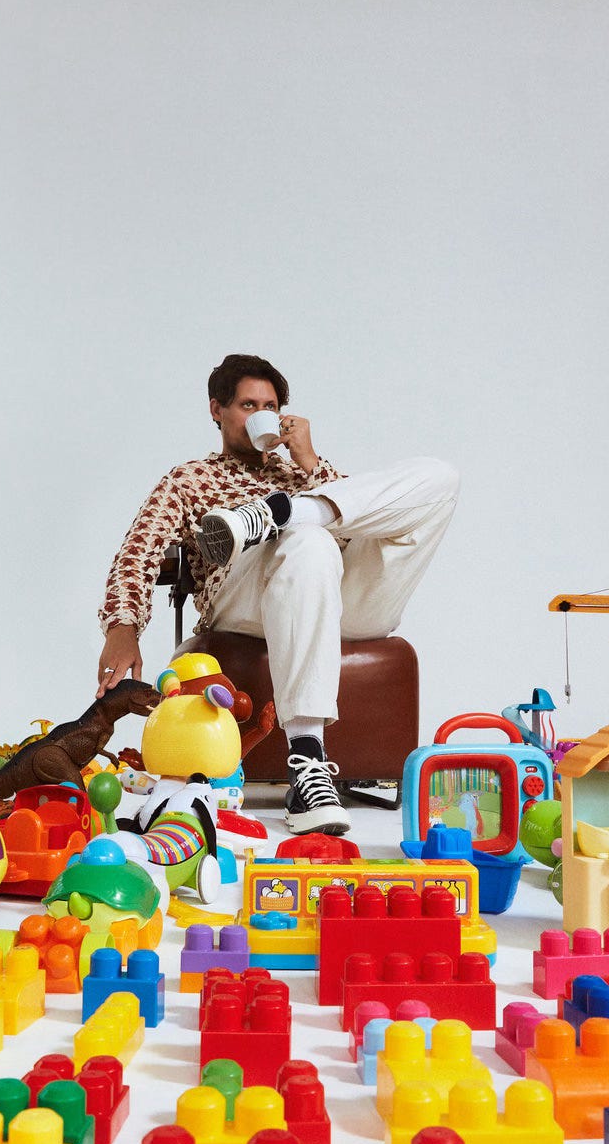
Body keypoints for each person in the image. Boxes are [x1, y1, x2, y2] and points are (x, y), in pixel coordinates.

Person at [97, 354, 459, 836]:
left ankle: (287, 513)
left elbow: (370, 520)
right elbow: (138, 550)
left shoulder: (305, 471)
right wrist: (123, 627)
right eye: (248, 405)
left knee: (439, 477)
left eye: (269, 406)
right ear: (217, 410)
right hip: (243, 603)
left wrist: (309, 460)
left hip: (338, 598)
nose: (260, 414)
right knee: (309, 542)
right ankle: (308, 762)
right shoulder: (188, 479)